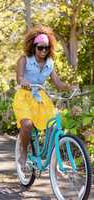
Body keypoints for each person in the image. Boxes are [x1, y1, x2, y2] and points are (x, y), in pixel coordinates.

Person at [13, 25, 74, 170]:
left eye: (46, 48)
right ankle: (23, 151)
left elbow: (58, 83)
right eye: (40, 48)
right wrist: (24, 82)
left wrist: (70, 87)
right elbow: (19, 78)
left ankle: (54, 159)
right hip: (24, 96)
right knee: (27, 124)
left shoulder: (50, 63)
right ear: (33, 46)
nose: (43, 51)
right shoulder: (24, 59)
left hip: (40, 97)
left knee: (54, 125)